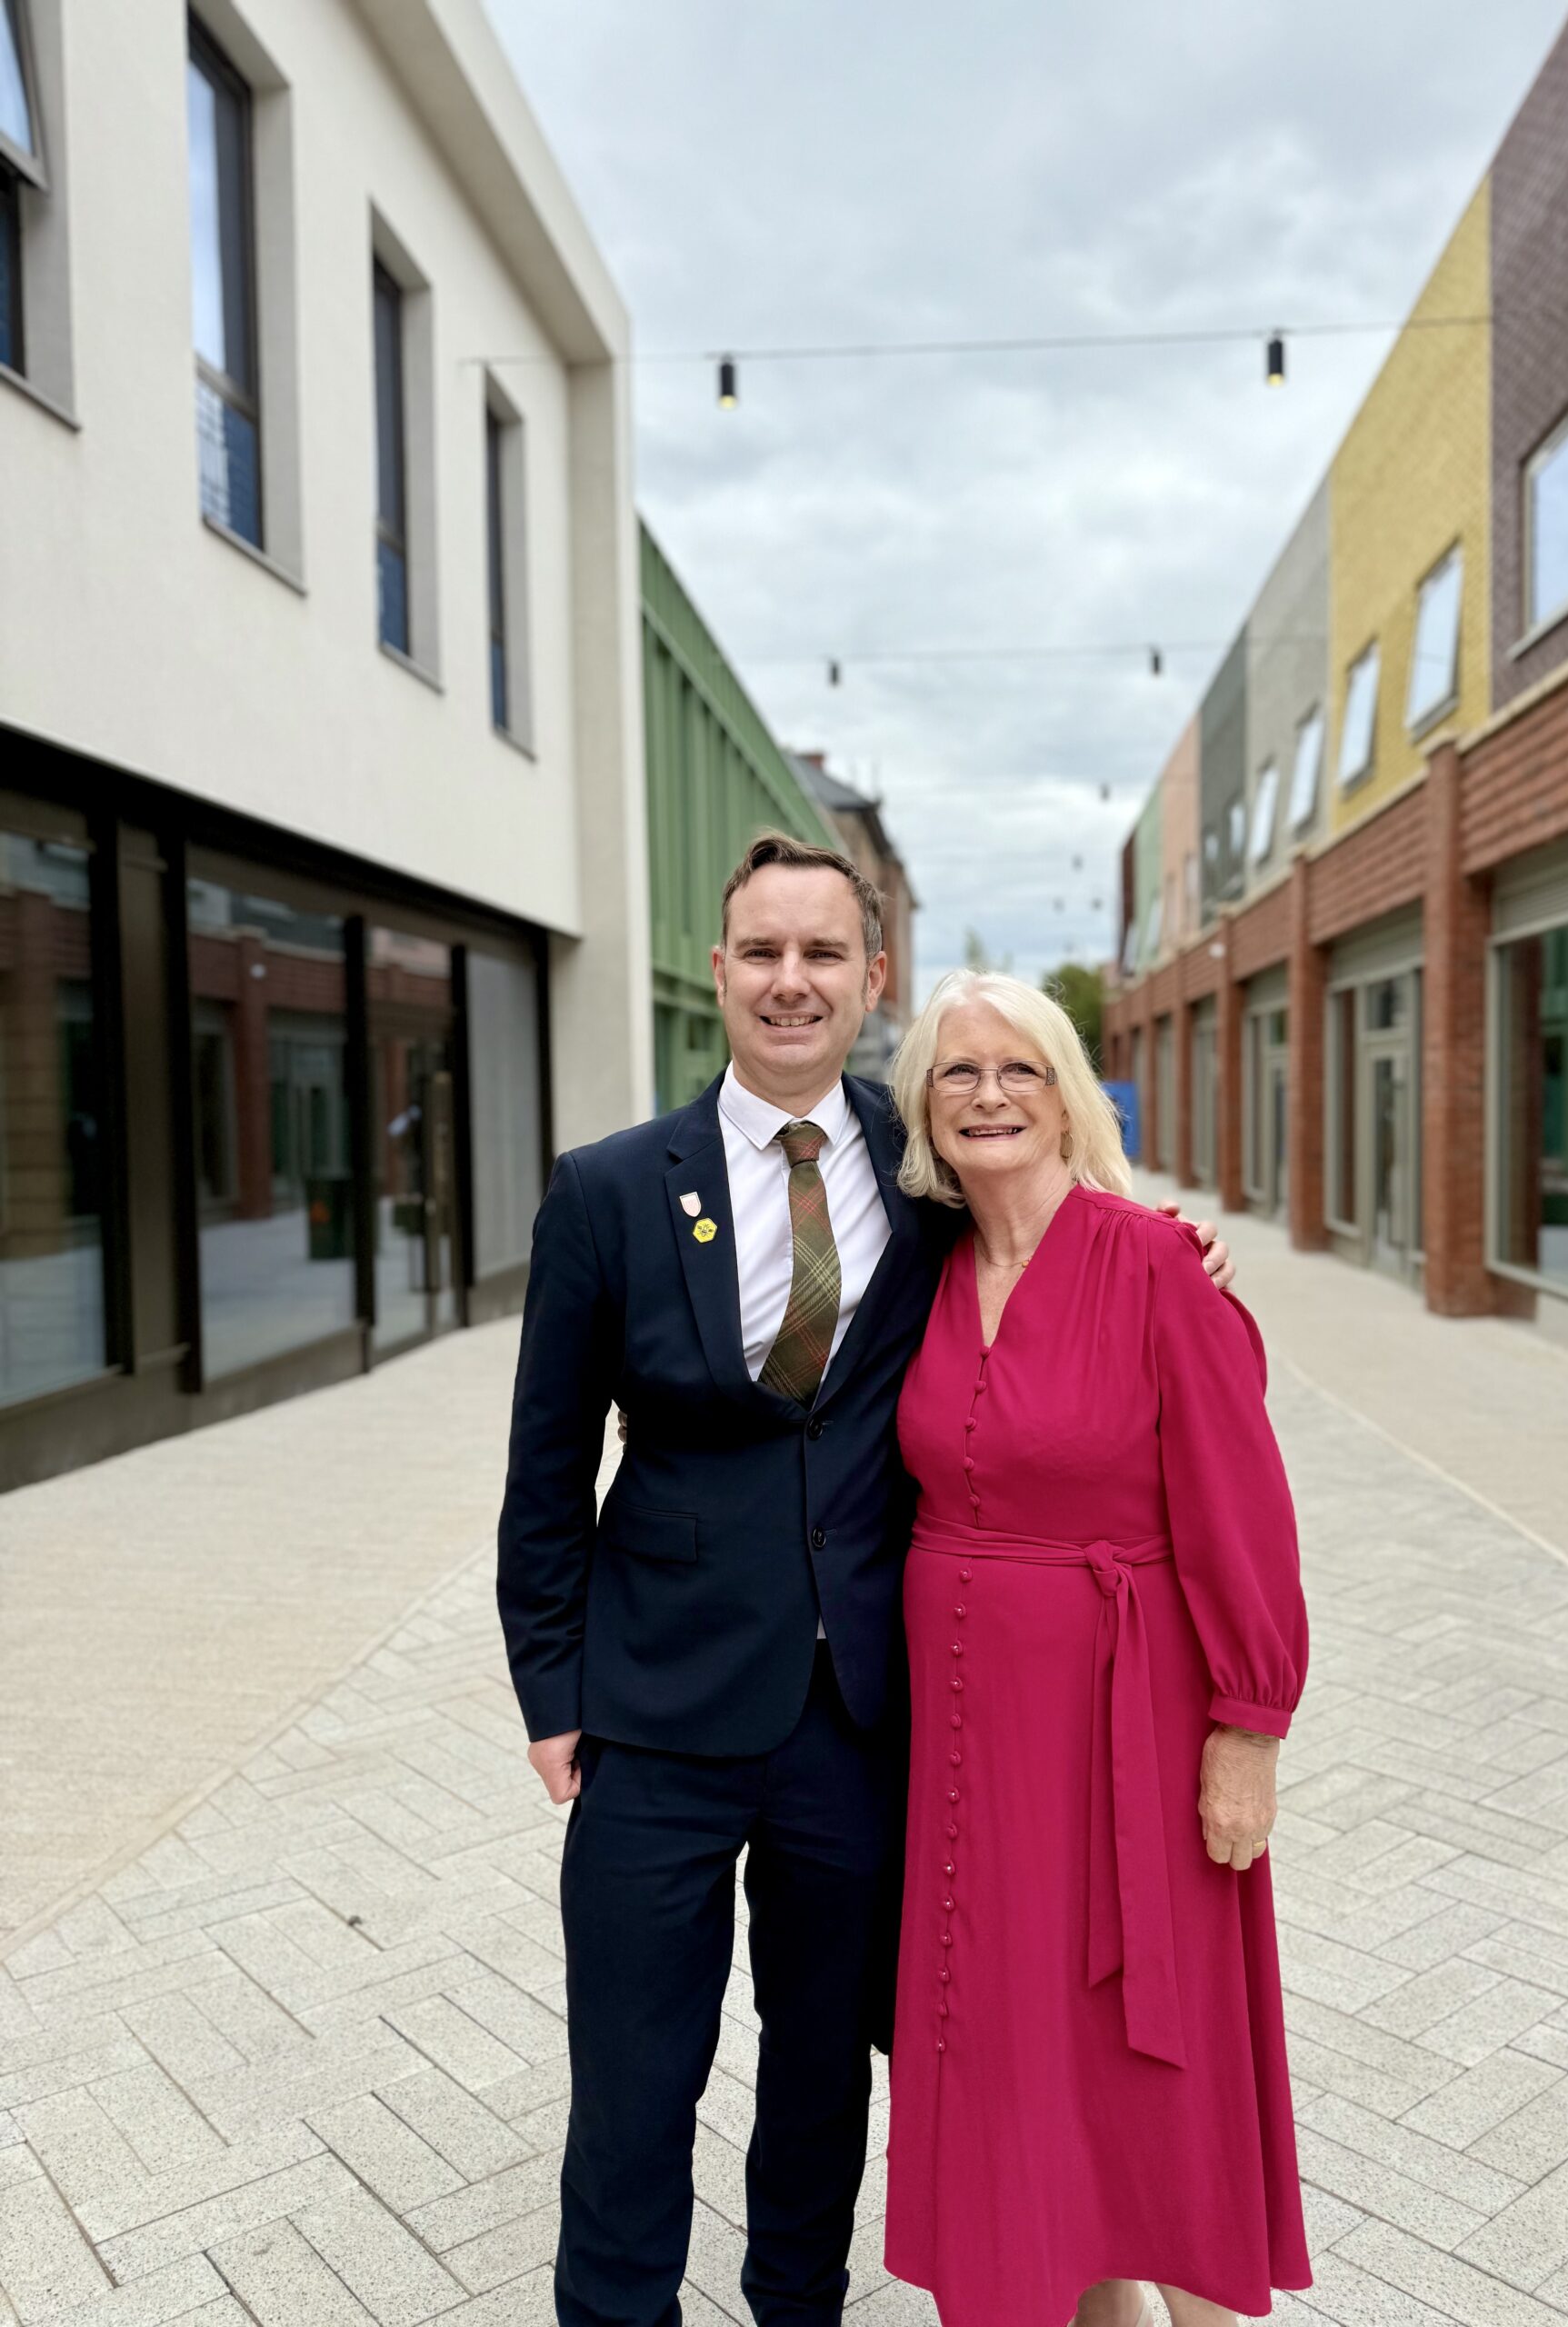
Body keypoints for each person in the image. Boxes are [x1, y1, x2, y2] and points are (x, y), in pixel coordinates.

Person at [495, 833, 1235, 2327]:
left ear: (869, 979)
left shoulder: (931, 1166)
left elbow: (1062, 1225)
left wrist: (1172, 1251)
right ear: (719, 974)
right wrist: (552, 1690)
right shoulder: (610, 1191)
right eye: (761, 953)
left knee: (825, 2076)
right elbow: (544, 1468)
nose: (791, 982)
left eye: (822, 955)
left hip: (861, 1718)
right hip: (653, 1713)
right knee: (632, 2081)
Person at [883, 969, 1311, 2327]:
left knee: (1155, 2055)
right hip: (966, 1740)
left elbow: (1245, 1515)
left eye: (1020, 1069)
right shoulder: (925, 1274)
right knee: (1013, 2049)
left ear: (1071, 1096)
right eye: (959, 1073)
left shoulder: (1156, 1267)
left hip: (1130, 1727)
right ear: (925, 1110)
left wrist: (1247, 1735)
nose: (990, 1095)